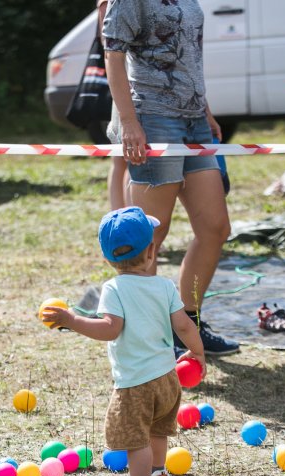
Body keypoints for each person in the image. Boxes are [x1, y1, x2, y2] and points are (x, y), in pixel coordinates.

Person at [42, 207, 205, 476]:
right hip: (168, 378)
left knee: (135, 437)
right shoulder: (164, 285)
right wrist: (197, 352)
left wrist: (72, 320)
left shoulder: (113, 289)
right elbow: (183, 324)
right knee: (157, 429)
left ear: (107, 258)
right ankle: (158, 475)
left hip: (136, 383)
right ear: (152, 251)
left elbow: (110, 329)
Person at [102, 0, 240, 356]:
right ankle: (143, 333)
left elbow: (190, 53)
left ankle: (186, 323)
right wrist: (130, 122)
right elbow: (113, 55)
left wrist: (205, 109)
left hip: (194, 120)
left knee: (214, 227)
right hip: (153, 117)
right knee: (150, 235)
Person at [98, 0, 129, 210]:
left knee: (122, 160)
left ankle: (123, 225)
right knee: (123, 159)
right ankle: (122, 225)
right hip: (125, 84)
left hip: (130, 81)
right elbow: (108, 44)